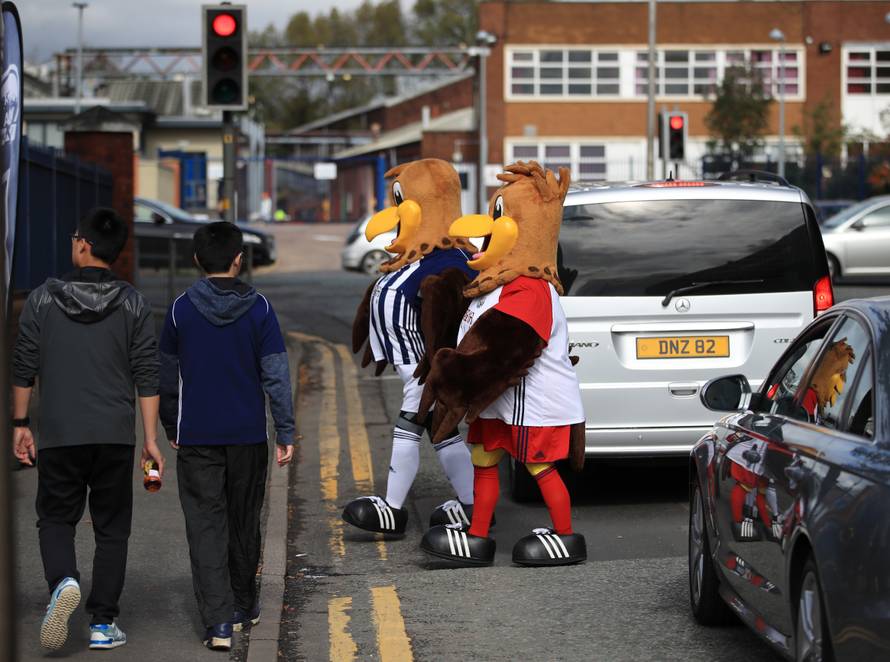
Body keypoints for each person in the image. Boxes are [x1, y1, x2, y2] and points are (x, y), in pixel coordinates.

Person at [12, 207, 163, 651]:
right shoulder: (133, 302)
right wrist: (151, 440)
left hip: (59, 431)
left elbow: (24, 363)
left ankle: (62, 582)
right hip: (115, 433)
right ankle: (102, 623)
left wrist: (20, 423)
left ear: (83, 244)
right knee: (112, 527)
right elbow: (147, 373)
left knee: (56, 517)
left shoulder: (41, 298)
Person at [159, 221, 295, 651]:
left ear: (197, 259)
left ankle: (218, 623)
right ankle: (244, 604)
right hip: (248, 435)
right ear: (239, 259)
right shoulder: (261, 309)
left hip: (196, 434)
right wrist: (285, 430)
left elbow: (166, 375)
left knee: (205, 524)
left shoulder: (181, 309)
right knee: (243, 519)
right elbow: (275, 374)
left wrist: (169, 423)